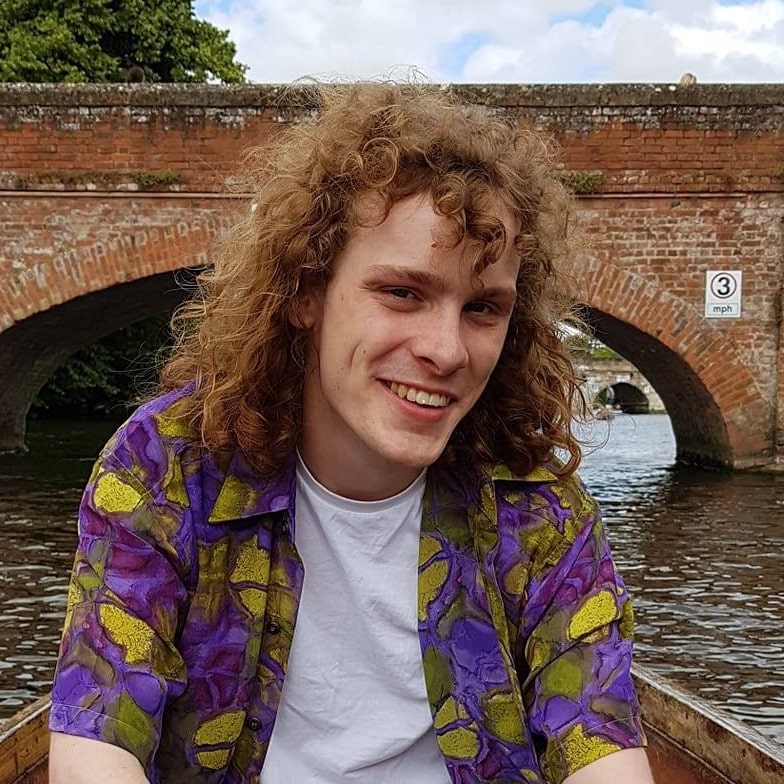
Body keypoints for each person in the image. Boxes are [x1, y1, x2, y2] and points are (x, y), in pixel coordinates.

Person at [48, 81, 655, 784]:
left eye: (483, 308)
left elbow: (599, 736)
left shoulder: (536, 499)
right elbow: (98, 732)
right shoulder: (169, 464)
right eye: (403, 292)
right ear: (307, 292)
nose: (447, 350)